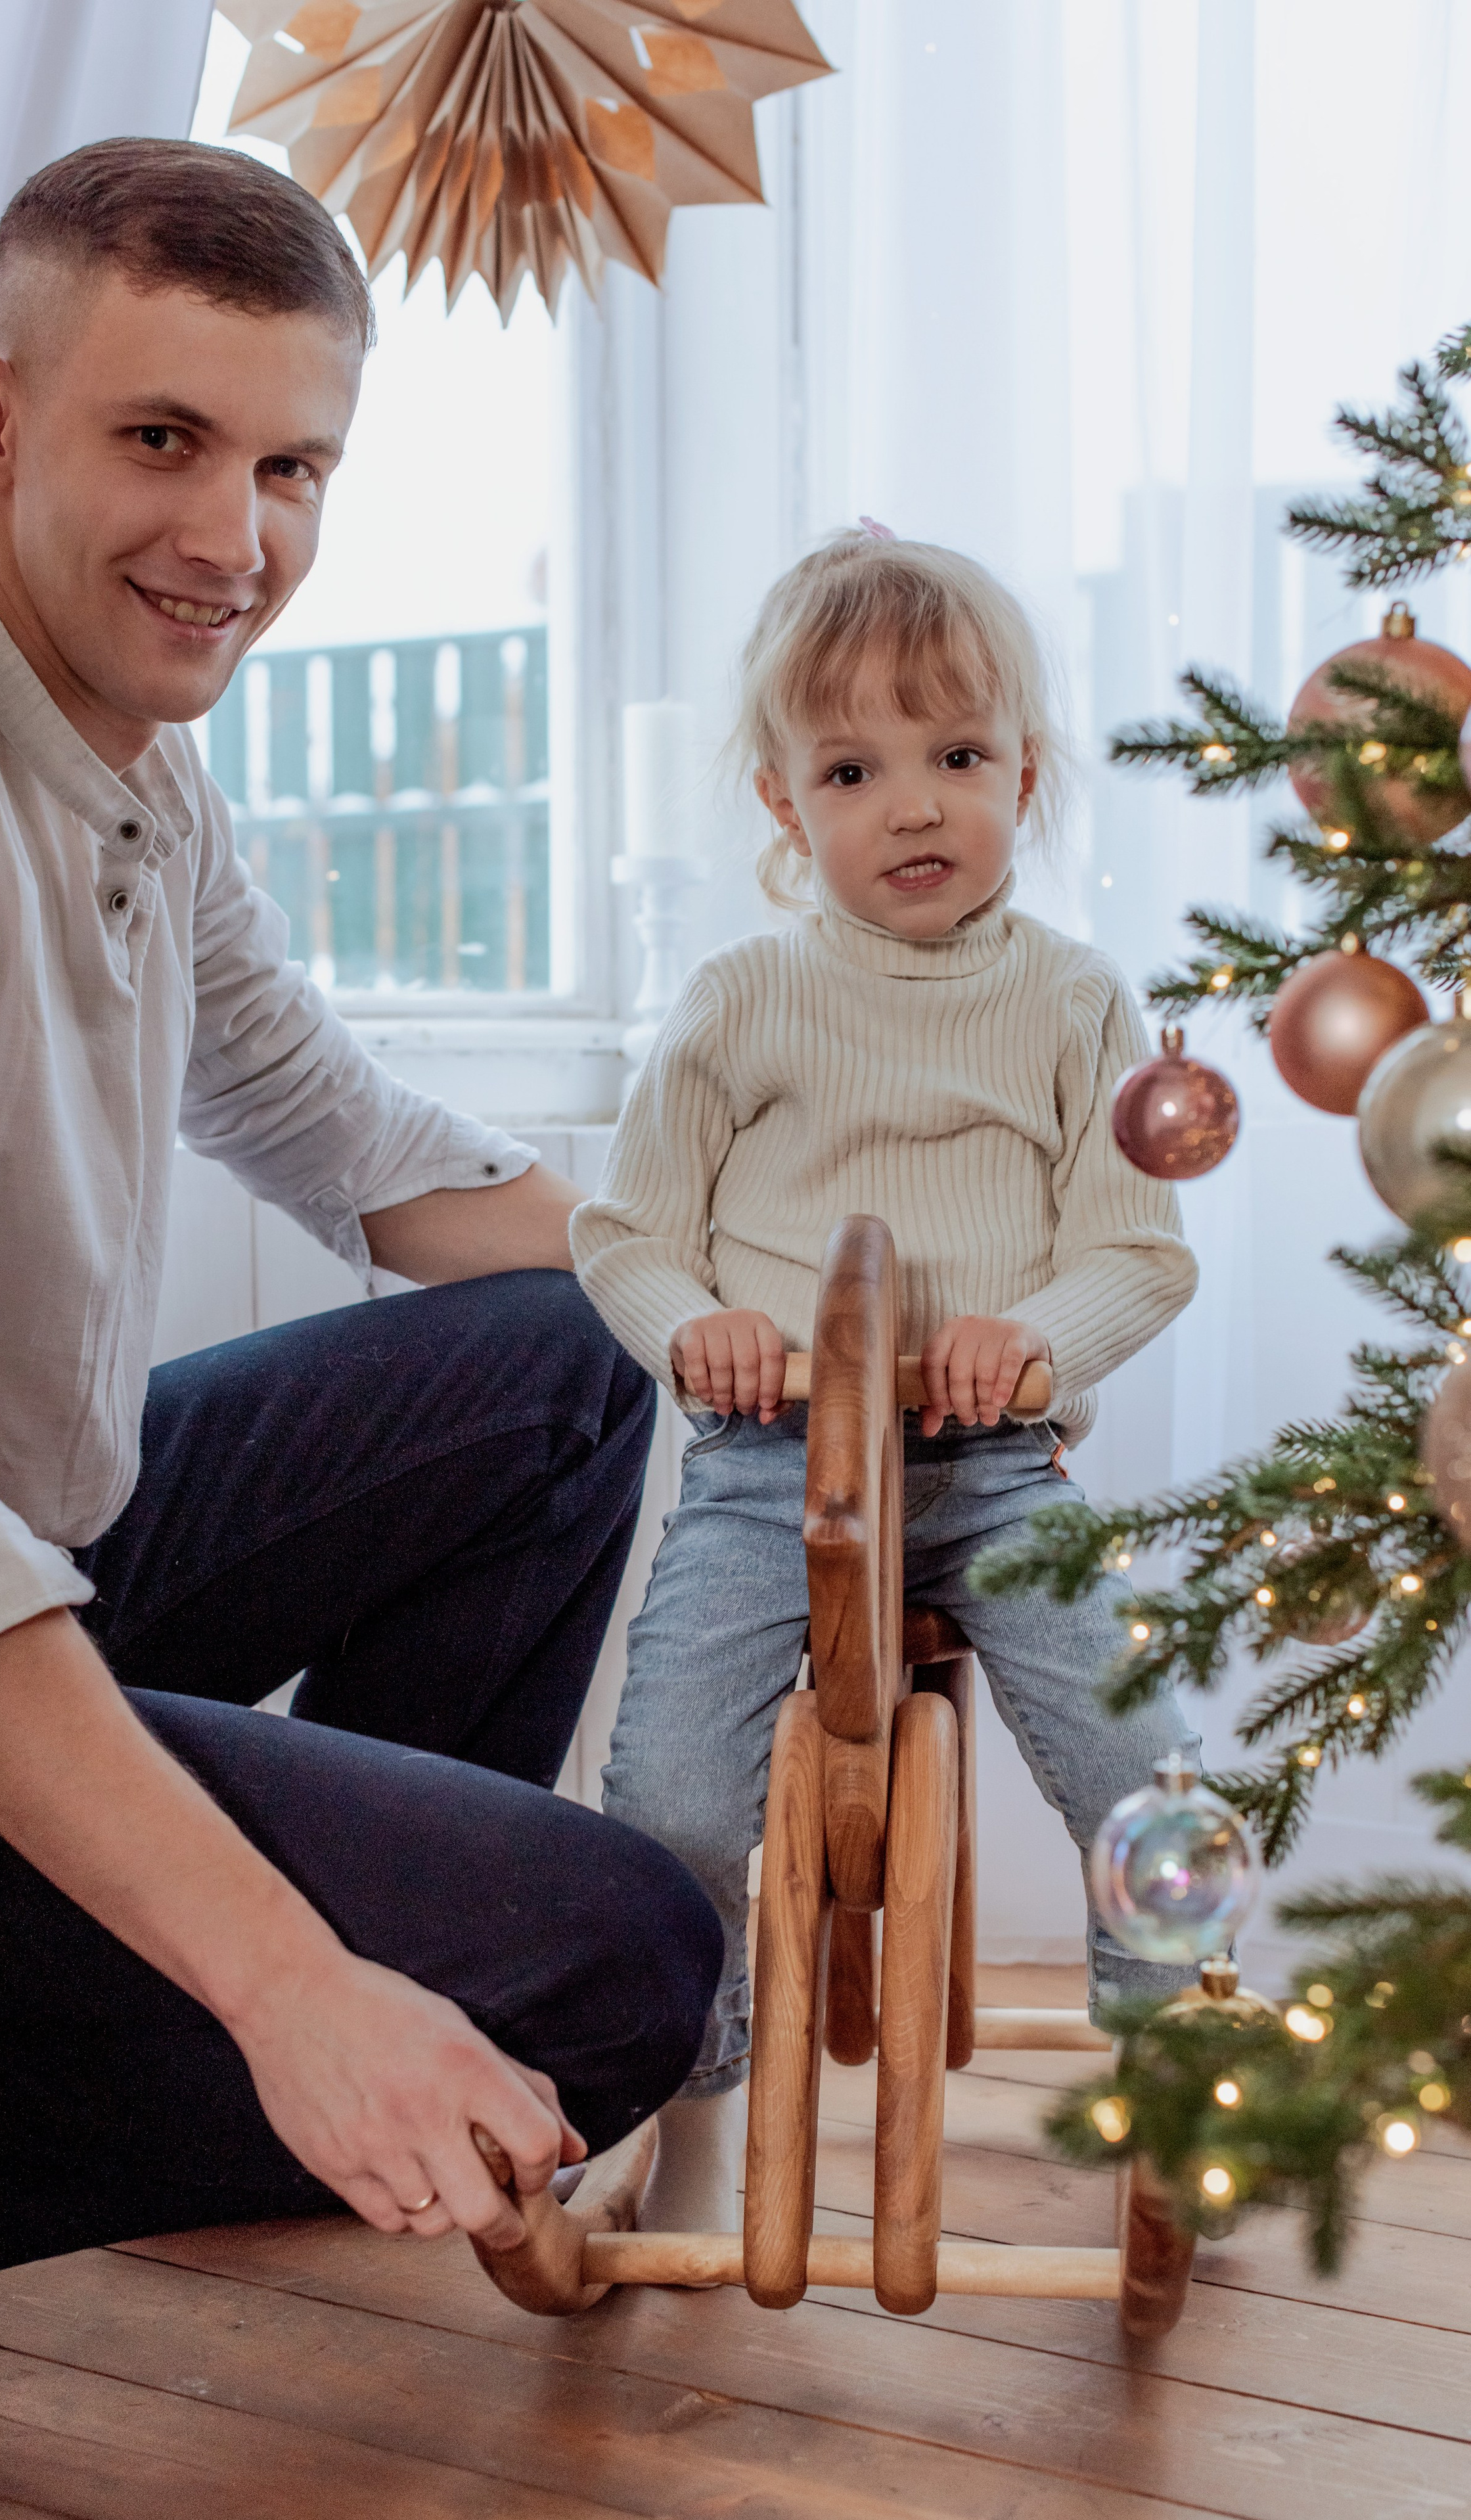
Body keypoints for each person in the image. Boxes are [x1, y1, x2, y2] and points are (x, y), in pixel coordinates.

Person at [0, 137, 722, 2418]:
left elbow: (345, 1134)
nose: (236, 540)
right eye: (162, 439)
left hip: (37, 1553)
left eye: (292, 466)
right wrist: (294, 1978)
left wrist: (755, 1289)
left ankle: (251, 2012)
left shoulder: (129, 763)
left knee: (564, 1359)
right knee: (624, 1963)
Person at [568, 528, 1202, 2235]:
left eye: (958, 756)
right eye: (854, 770)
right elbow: (623, 1234)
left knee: (1155, 1769)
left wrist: (1037, 1336)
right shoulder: (743, 999)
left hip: (991, 1471)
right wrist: (694, 1324)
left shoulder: (1076, 1002)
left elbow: (1140, 1251)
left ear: (1026, 774)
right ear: (785, 803)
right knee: (671, 1802)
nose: (914, 806)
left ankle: (1170, 2096)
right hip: (769, 1466)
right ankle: (693, 2120)